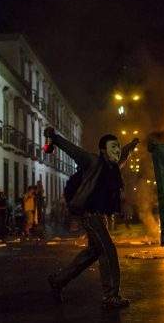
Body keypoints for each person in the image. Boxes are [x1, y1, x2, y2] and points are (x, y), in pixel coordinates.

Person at [45, 127, 138, 309]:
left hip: (99, 216)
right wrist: (54, 138)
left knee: (92, 253)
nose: (117, 150)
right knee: (108, 250)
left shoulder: (113, 167)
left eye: (117, 147)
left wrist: (132, 144)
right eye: (113, 147)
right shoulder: (93, 161)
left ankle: (58, 281)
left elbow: (124, 154)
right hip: (89, 214)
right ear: (103, 150)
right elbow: (72, 149)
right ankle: (110, 296)